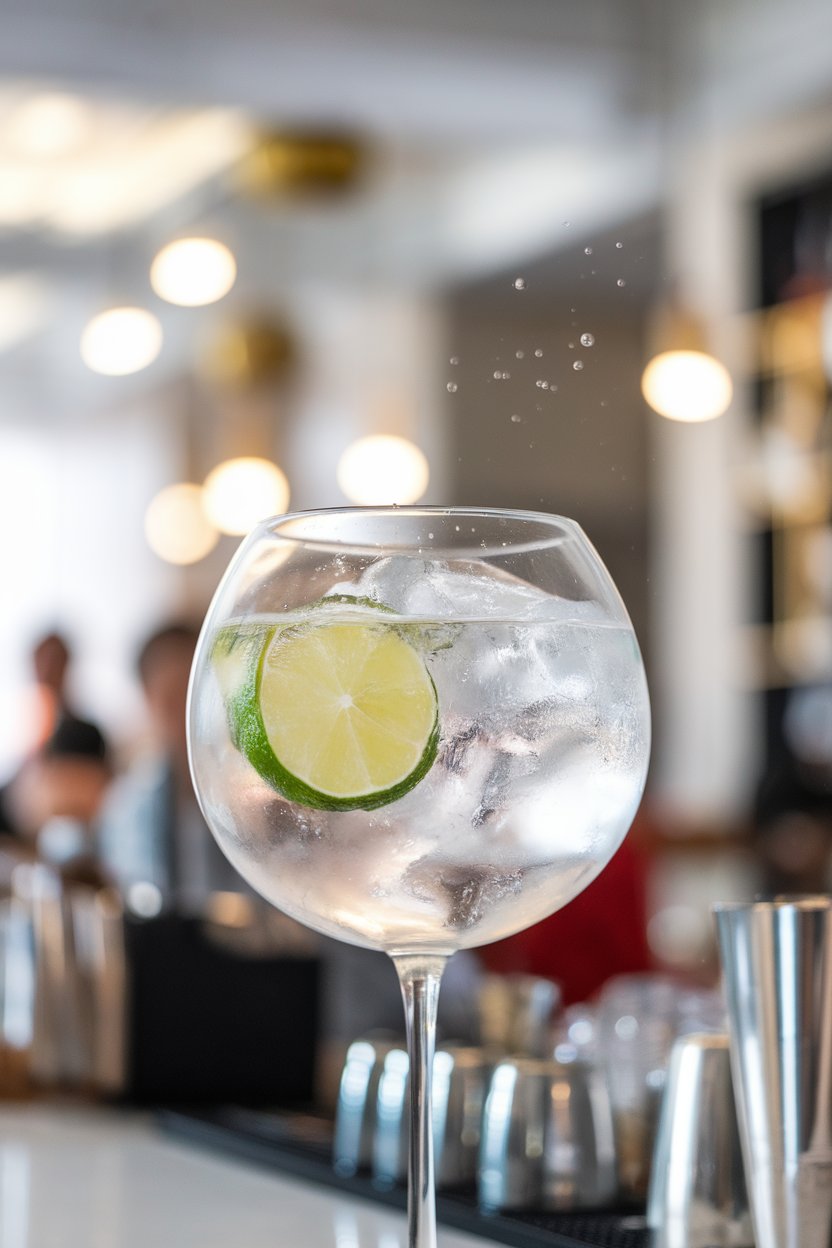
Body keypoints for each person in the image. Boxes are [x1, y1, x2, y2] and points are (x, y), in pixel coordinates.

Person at [97, 622, 242, 912]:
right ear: (148, 700)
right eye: (172, 698)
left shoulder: (256, 794)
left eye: (197, 691)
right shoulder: (126, 808)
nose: (187, 712)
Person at [0, 630, 110, 846]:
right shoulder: (26, 728)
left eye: (54, 661)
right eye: (41, 662)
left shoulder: (86, 732)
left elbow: (94, 792)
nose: (47, 669)